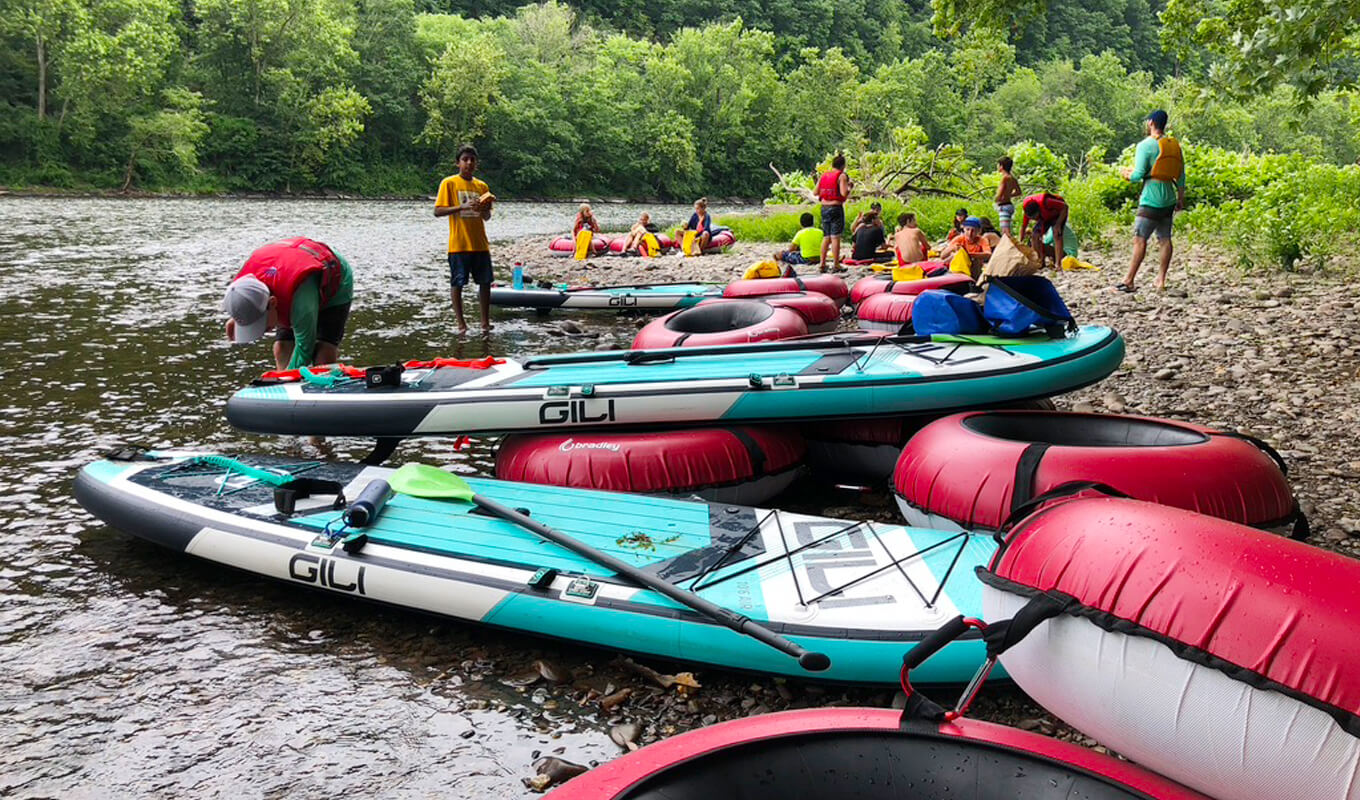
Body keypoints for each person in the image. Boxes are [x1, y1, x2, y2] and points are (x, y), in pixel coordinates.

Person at [222, 237, 354, 371]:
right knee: (282, 348)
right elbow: (245, 301)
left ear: (272, 303)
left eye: (263, 325)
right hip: (286, 279)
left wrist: (286, 379)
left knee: (322, 354)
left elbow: (305, 349)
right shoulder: (240, 286)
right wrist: (237, 318)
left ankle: (324, 386)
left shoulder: (301, 304)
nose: (262, 331)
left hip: (335, 281)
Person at [1118, 109, 1185, 292]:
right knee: (1165, 239)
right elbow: (1181, 175)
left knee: (1140, 239)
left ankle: (1129, 280)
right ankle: (1161, 280)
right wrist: (1180, 198)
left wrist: (1126, 175)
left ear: (1150, 123)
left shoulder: (1145, 145)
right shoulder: (1174, 145)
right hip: (1169, 198)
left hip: (1151, 199)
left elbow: (1139, 174)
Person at [434, 144, 496, 334]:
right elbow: (437, 211)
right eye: (465, 159)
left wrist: (483, 209)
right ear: (458, 163)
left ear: (476, 163)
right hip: (459, 244)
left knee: (485, 283)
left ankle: (485, 323)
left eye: (472, 160)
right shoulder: (449, 183)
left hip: (480, 243)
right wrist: (462, 207)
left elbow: (487, 217)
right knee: (458, 283)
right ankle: (461, 325)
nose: (469, 163)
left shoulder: (482, 186)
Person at [815, 154, 853, 272]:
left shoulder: (824, 175)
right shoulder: (841, 176)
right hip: (835, 207)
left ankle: (822, 264)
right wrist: (850, 188)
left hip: (824, 208)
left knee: (826, 236)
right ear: (843, 166)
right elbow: (843, 193)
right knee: (835, 237)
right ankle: (836, 264)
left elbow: (815, 192)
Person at [1018, 192, 1069, 270]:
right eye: (1033, 218)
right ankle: (1039, 261)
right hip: (1044, 217)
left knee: (1056, 233)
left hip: (1058, 214)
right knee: (1035, 235)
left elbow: (1065, 207)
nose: (1035, 219)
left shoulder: (1047, 202)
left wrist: (1058, 224)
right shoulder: (1028, 212)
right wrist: (1019, 243)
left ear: (1039, 210)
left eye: (1035, 217)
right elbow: (1023, 227)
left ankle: (1058, 264)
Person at [995, 157, 1021, 236]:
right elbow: (1019, 192)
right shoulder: (1013, 178)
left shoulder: (1005, 178)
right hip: (1009, 205)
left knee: (1005, 232)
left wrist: (996, 199)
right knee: (1007, 229)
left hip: (1004, 206)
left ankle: (1008, 247)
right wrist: (1009, 195)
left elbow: (999, 194)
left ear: (1001, 166)